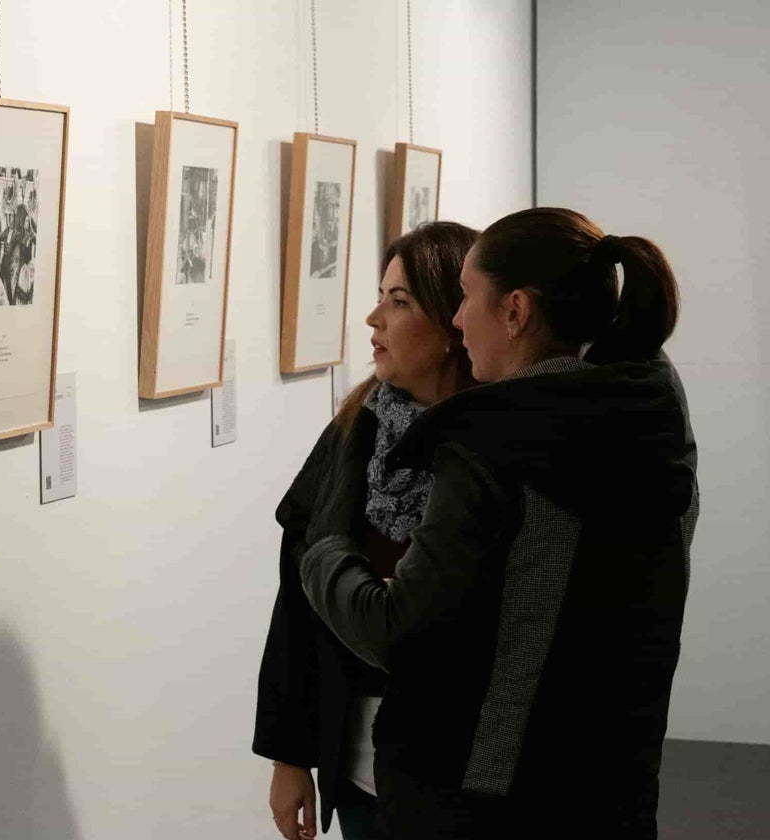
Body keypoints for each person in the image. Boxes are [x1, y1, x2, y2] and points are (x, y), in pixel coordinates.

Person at [298, 207, 699, 838]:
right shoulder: (654, 411)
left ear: (514, 311)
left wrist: (321, 553)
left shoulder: (487, 444)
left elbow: (399, 633)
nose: (458, 320)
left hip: (478, 799)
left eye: (464, 298)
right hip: (612, 780)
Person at [253, 221, 479, 839]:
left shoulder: (495, 446)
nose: (373, 318)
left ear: (455, 320)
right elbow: (298, 600)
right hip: (360, 765)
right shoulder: (357, 430)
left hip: (467, 774)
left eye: (399, 301)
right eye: (382, 295)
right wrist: (289, 756)